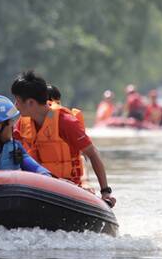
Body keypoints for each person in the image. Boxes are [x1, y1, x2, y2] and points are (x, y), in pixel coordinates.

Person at [11, 71, 115, 206]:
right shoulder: (21, 123)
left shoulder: (65, 122)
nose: (15, 105)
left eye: (17, 101)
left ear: (30, 102)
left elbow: (92, 153)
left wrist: (105, 191)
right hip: (37, 186)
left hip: (68, 189)